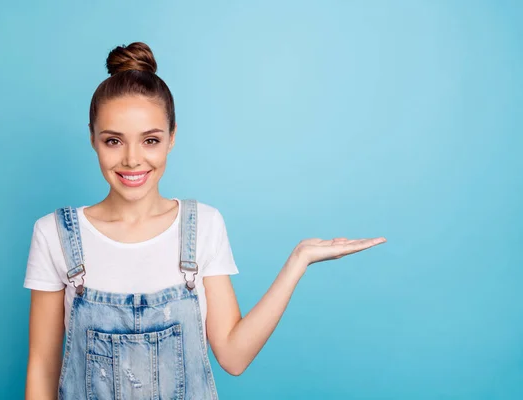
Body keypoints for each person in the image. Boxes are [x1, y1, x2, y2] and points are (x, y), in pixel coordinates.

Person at [23, 42, 387, 400]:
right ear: (92, 138)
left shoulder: (203, 227)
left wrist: (298, 260)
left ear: (172, 138)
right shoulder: (55, 234)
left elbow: (233, 355)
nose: (133, 159)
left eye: (150, 140)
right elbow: (42, 367)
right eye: (113, 141)